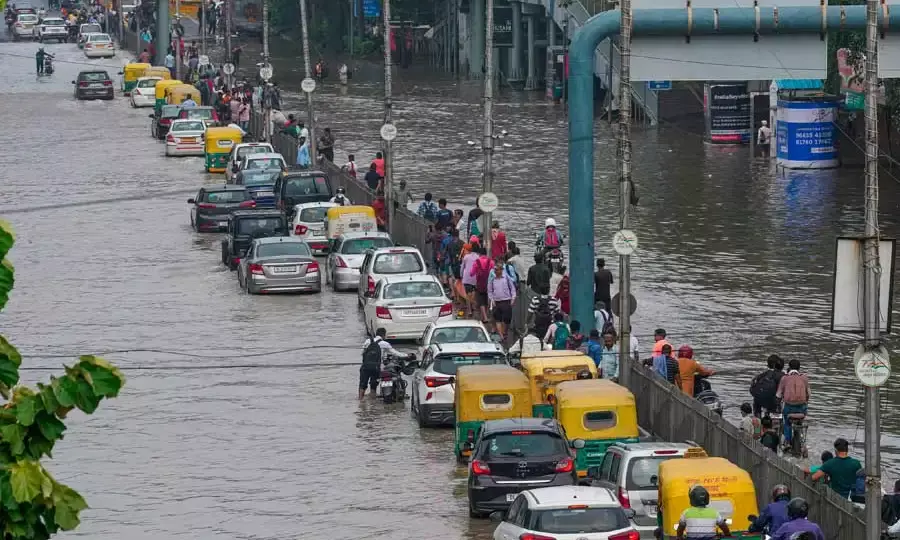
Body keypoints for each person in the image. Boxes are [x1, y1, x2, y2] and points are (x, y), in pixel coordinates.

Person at [775, 359, 809, 448]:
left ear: (789, 367)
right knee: (801, 420)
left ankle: (787, 442)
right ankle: (800, 437)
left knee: (787, 422)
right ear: (799, 368)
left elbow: (778, 395)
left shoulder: (785, 378)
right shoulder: (804, 378)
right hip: (802, 408)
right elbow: (808, 394)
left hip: (789, 408)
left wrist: (778, 405)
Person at [359, 327, 400, 399]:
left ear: (376, 334)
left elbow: (362, 353)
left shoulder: (367, 341)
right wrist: (407, 355)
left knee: (362, 385)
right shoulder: (385, 344)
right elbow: (396, 353)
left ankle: (360, 403)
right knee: (373, 385)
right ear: (384, 335)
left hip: (365, 366)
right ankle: (372, 403)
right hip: (376, 367)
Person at [488, 259, 516, 340]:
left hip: (506, 301)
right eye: (495, 270)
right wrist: (492, 300)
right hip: (496, 302)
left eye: (497, 270)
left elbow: (512, 288)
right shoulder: (492, 279)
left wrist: (513, 298)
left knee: (507, 319)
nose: (496, 271)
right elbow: (490, 291)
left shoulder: (506, 278)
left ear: (501, 270)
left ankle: (505, 332)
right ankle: (501, 335)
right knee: (498, 319)